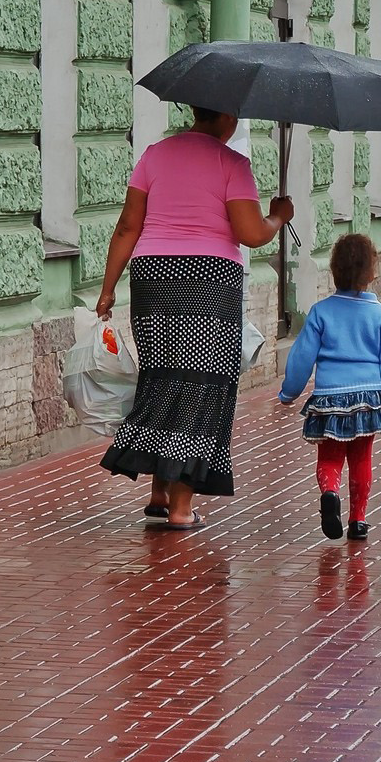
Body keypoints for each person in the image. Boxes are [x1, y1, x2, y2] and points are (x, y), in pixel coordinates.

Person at [96, 106, 294, 530]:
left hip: (153, 279)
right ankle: (181, 507)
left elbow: (128, 227)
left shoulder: (154, 155)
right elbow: (250, 233)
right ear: (226, 117)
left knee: (161, 377)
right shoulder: (231, 164)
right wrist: (278, 216)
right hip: (209, 281)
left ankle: (158, 490)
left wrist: (108, 288)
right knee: (200, 387)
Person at [275, 234, 381, 542]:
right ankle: (358, 520)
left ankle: (330, 492)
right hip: (368, 400)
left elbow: (301, 358)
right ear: (372, 273)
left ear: (334, 270)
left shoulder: (321, 313)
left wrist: (289, 392)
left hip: (329, 398)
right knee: (362, 458)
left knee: (330, 458)